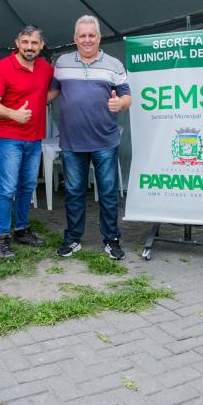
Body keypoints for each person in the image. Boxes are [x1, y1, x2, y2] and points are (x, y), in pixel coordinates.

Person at [49, 15, 131, 260]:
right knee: (73, 192)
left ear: (99, 37)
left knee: (107, 192)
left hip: (105, 141)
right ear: (75, 38)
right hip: (72, 142)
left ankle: (112, 239)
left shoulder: (114, 64)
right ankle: (73, 239)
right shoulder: (62, 63)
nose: (87, 40)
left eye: (91, 35)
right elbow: (52, 92)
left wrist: (120, 103)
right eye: (82, 35)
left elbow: (127, 96)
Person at [0, 26, 54, 259]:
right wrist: (14, 114)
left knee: (27, 187)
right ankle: (2, 236)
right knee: (7, 188)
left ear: (41, 45)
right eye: (25, 42)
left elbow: (53, 90)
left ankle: (21, 230)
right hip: (9, 137)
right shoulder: (2, 68)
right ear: (17, 42)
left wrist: (42, 101)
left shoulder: (45, 68)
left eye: (34, 43)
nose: (29, 47)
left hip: (34, 138)